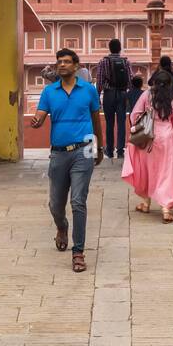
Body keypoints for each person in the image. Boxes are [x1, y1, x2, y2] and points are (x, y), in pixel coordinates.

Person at [31, 48, 104, 273]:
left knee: (78, 201)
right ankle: (61, 227)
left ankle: (78, 251)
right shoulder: (49, 92)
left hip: (84, 150)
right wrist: (37, 121)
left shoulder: (88, 90)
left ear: (76, 66)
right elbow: (41, 115)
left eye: (66, 62)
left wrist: (99, 146)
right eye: (59, 62)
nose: (61, 65)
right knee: (56, 204)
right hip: (59, 153)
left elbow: (95, 118)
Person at [122, 69, 173, 223]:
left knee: (147, 170)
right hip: (167, 137)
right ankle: (166, 208)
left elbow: (135, 114)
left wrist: (140, 125)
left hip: (148, 137)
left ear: (154, 82)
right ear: (170, 84)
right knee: (165, 172)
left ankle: (146, 203)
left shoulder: (147, 95)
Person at [95, 38, 132, 160]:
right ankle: (120, 150)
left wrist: (97, 96)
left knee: (109, 123)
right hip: (122, 94)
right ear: (120, 48)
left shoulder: (103, 62)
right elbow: (130, 80)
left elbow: (99, 81)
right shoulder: (125, 62)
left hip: (109, 94)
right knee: (121, 123)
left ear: (109, 48)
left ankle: (110, 150)